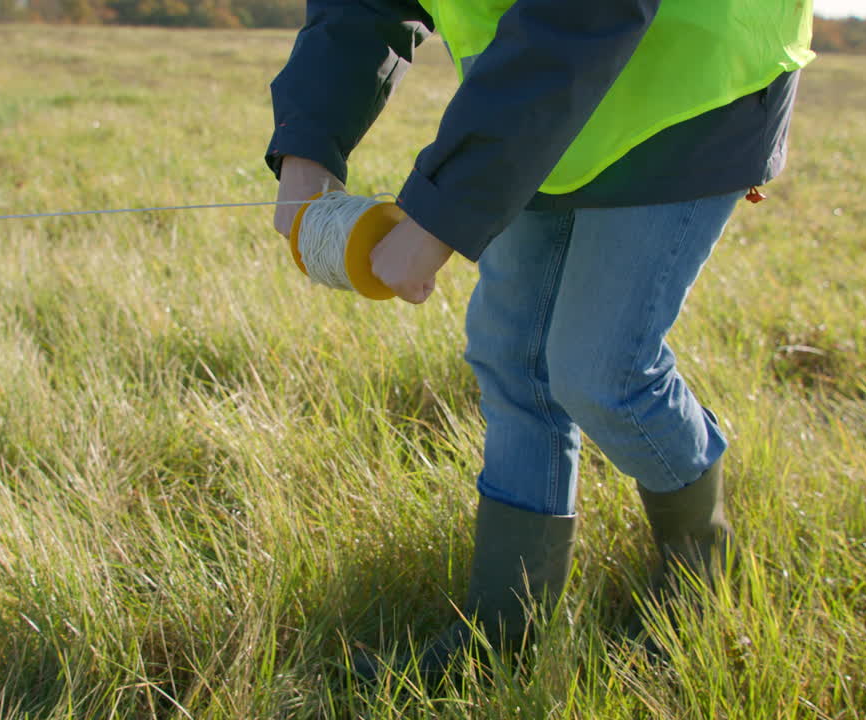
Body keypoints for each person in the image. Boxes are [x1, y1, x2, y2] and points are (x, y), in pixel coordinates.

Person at [266, 0, 814, 680]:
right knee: (513, 360)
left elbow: (584, 13)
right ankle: (501, 639)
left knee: (603, 372)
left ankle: (703, 586)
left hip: (689, 82)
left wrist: (439, 217)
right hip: (530, 92)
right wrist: (308, 141)